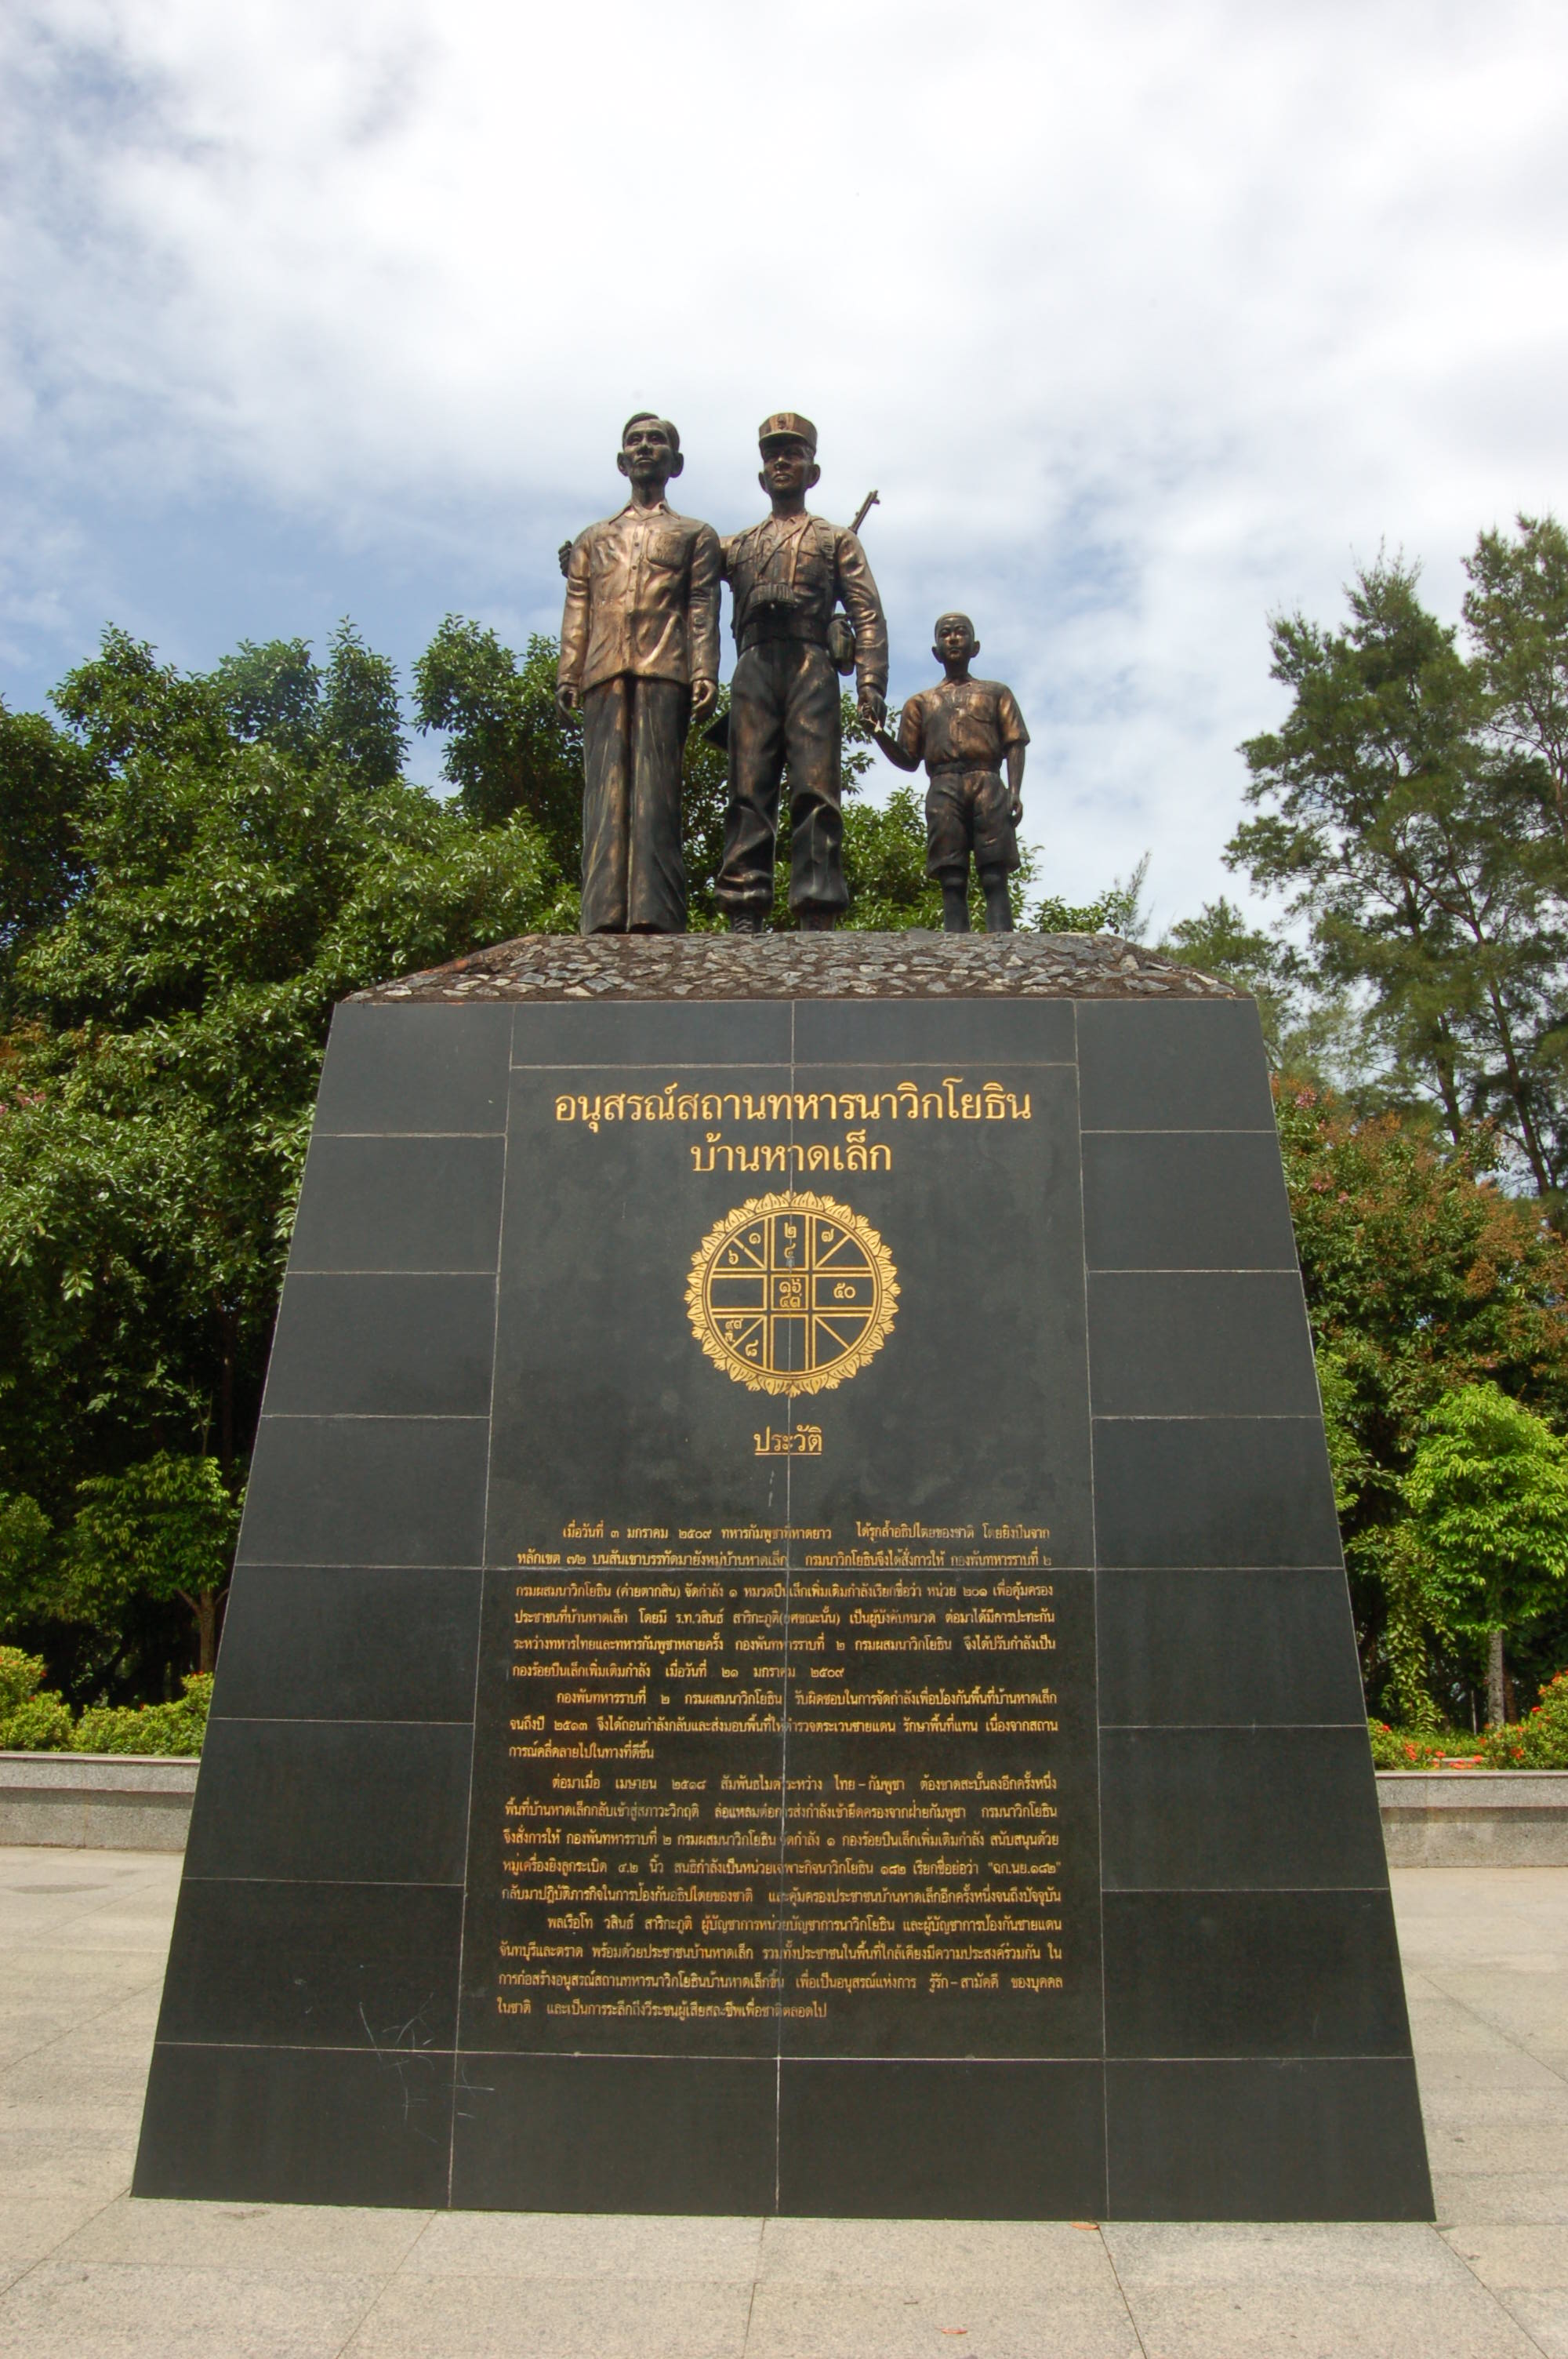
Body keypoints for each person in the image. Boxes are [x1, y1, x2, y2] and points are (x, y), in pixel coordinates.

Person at [715, 413, 887, 932]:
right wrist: (590, 560)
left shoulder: (837, 540)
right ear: (762, 476)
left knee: (815, 788)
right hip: (755, 665)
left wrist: (871, 683)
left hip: (811, 662)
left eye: (793, 454)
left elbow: (867, 614)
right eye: (773, 456)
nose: (782, 463)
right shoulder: (735, 545)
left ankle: (817, 905)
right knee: (749, 786)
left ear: (813, 472)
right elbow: (675, 561)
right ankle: (744, 903)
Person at [557, 414, 720, 932]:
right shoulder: (593, 539)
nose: (646, 448)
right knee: (603, 793)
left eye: (658, 441)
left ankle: (656, 912)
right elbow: (578, 605)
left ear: (676, 462)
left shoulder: (694, 533)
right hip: (603, 668)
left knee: (655, 792)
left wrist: (705, 670)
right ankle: (602, 914)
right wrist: (568, 671)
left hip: (664, 666)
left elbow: (701, 603)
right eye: (636, 441)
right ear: (621, 460)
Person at [873, 612, 1029, 932]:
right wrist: (878, 733)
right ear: (936, 651)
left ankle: (1003, 940)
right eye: (946, 634)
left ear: (976, 647)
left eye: (961, 633)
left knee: (994, 870)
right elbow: (908, 758)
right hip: (943, 785)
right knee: (951, 872)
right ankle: (955, 943)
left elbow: (1015, 742)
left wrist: (1015, 791)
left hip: (988, 780)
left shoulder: (997, 693)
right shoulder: (920, 703)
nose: (954, 638)